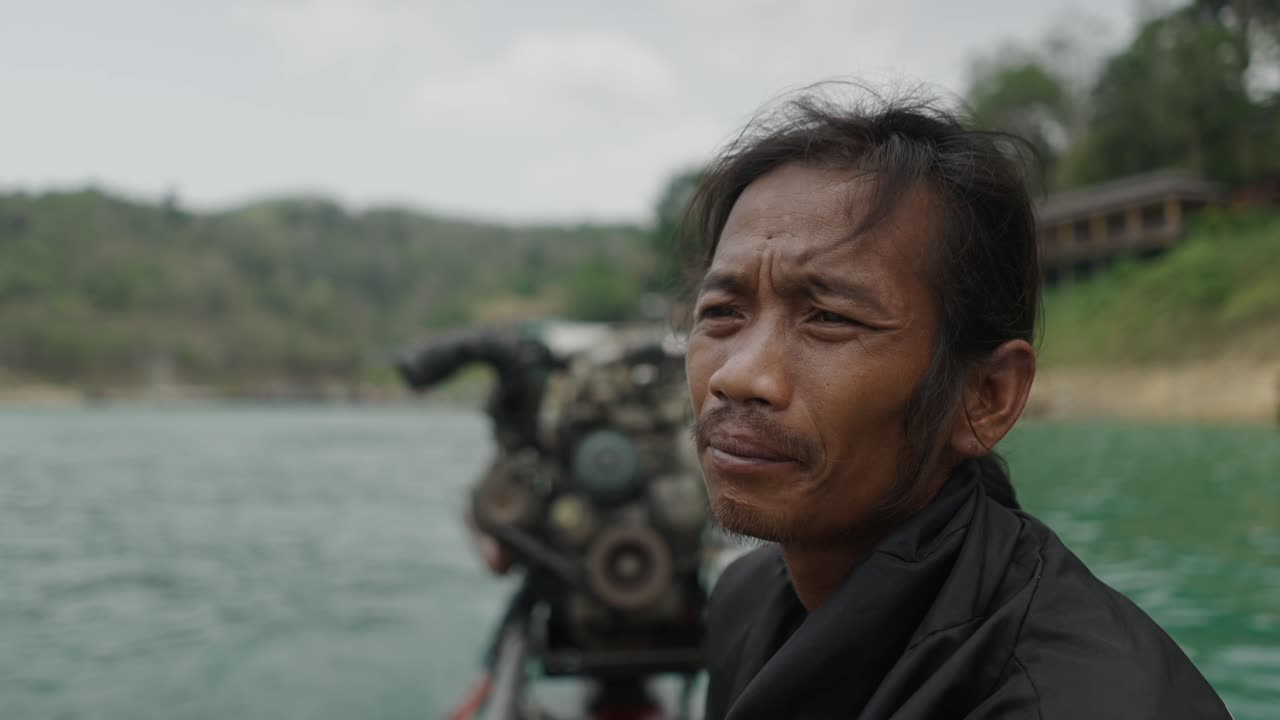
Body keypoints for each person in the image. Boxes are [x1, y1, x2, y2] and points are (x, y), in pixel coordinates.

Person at [681, 88, 1231, 719]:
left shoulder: (1084, 698)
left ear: (986, 397)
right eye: (722, 312)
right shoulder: (745, 602)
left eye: (829, 318)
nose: (740, 375)